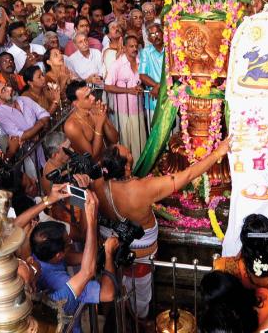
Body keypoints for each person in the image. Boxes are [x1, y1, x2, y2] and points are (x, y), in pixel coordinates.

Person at [93, 139, 231, 319]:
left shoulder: (97, 184)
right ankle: (139, 321)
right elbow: (188, 175)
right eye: (129, 154)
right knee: (139, 300)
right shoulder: (143, 189)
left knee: (120, 287)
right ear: (126, 168)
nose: (131, 153)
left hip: (111, 251)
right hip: (140, 259)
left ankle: (121, 314)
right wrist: (217, 153)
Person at [31, 189, 118, 332]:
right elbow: (107, 293)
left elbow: (84, 259)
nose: (72, 241)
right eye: (68, 242)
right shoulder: (62, 284)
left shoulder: (39, 256)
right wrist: (108, 254)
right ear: (58, 255)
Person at [105, 35, 146, 161]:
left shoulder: (141, 62)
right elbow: (107, 86)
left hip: (138, 109)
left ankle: (140, 170)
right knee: (126, 142)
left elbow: (142, 80)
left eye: (136, 46)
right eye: (131, 46)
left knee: (139, 142)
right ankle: (127, 171)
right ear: (124, 48)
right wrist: (128, 90)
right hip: (123, 111)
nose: (134, 49)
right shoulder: (117, 64)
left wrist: (140, 85)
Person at [63, 80, 119, 161]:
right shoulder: (71, 125)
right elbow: (93, 157)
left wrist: (104, 118)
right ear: (76, 103)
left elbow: (115, 139)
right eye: (87, 97)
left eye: (91, 93)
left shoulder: (94, 109)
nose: (93, 98)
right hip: (93, 169)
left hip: (109, 160)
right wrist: (99, 124)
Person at [139, 22, 165, 115]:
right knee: (154, 128)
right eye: (152, 34)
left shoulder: (170, 49)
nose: (156, 36)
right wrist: (157, 86)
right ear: (149, 39)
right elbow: (142, 75)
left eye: (157, 33)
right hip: (154, 98)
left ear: (163, 33)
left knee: (173, 129)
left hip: (170, 98)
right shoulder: (145, 52)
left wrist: (158, 86)